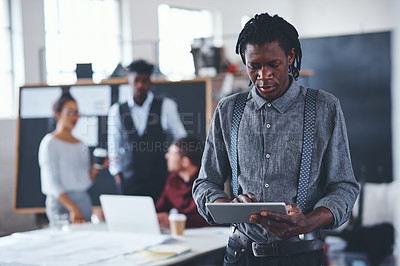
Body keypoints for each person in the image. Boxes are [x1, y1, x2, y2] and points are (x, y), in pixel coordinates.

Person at [192, 12, 360, 265]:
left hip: (302, 255)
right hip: (240, 254)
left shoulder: (325, 107)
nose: (263, 75)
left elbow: (344, 187)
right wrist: (229, 204)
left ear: (290, 57)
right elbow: (205, 184)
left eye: (273, 64)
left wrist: (308, 221)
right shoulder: (228, 111)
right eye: (254, 66)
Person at [107, 59, 187, 203]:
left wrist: (178, 168)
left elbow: (181, 138)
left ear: (150, 81)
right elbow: (113, 145)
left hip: (159, 179)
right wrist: (117, 174)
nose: (140, 85)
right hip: (129, 180)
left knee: (159, 221)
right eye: (136, 80)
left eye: (144, 80)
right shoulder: (117, 110)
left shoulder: (166, 106)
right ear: (128, 80)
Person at [38, 91, 107, 225]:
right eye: (70, 112)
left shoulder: (81, 144)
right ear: (58, 114)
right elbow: (52, 184)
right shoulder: (49, 143)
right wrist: (73, 208)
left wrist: (97, 168)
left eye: (77, 112)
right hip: (61, 205)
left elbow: (85, 179)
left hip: (83, 203)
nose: (75, 116)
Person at [156, 137, 209, 229]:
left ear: (185, 162)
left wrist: (174, 221)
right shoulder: (172, 181)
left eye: (171, 154)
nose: (166, 156)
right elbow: (160, 208)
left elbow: (214, 219)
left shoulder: (207, 183)